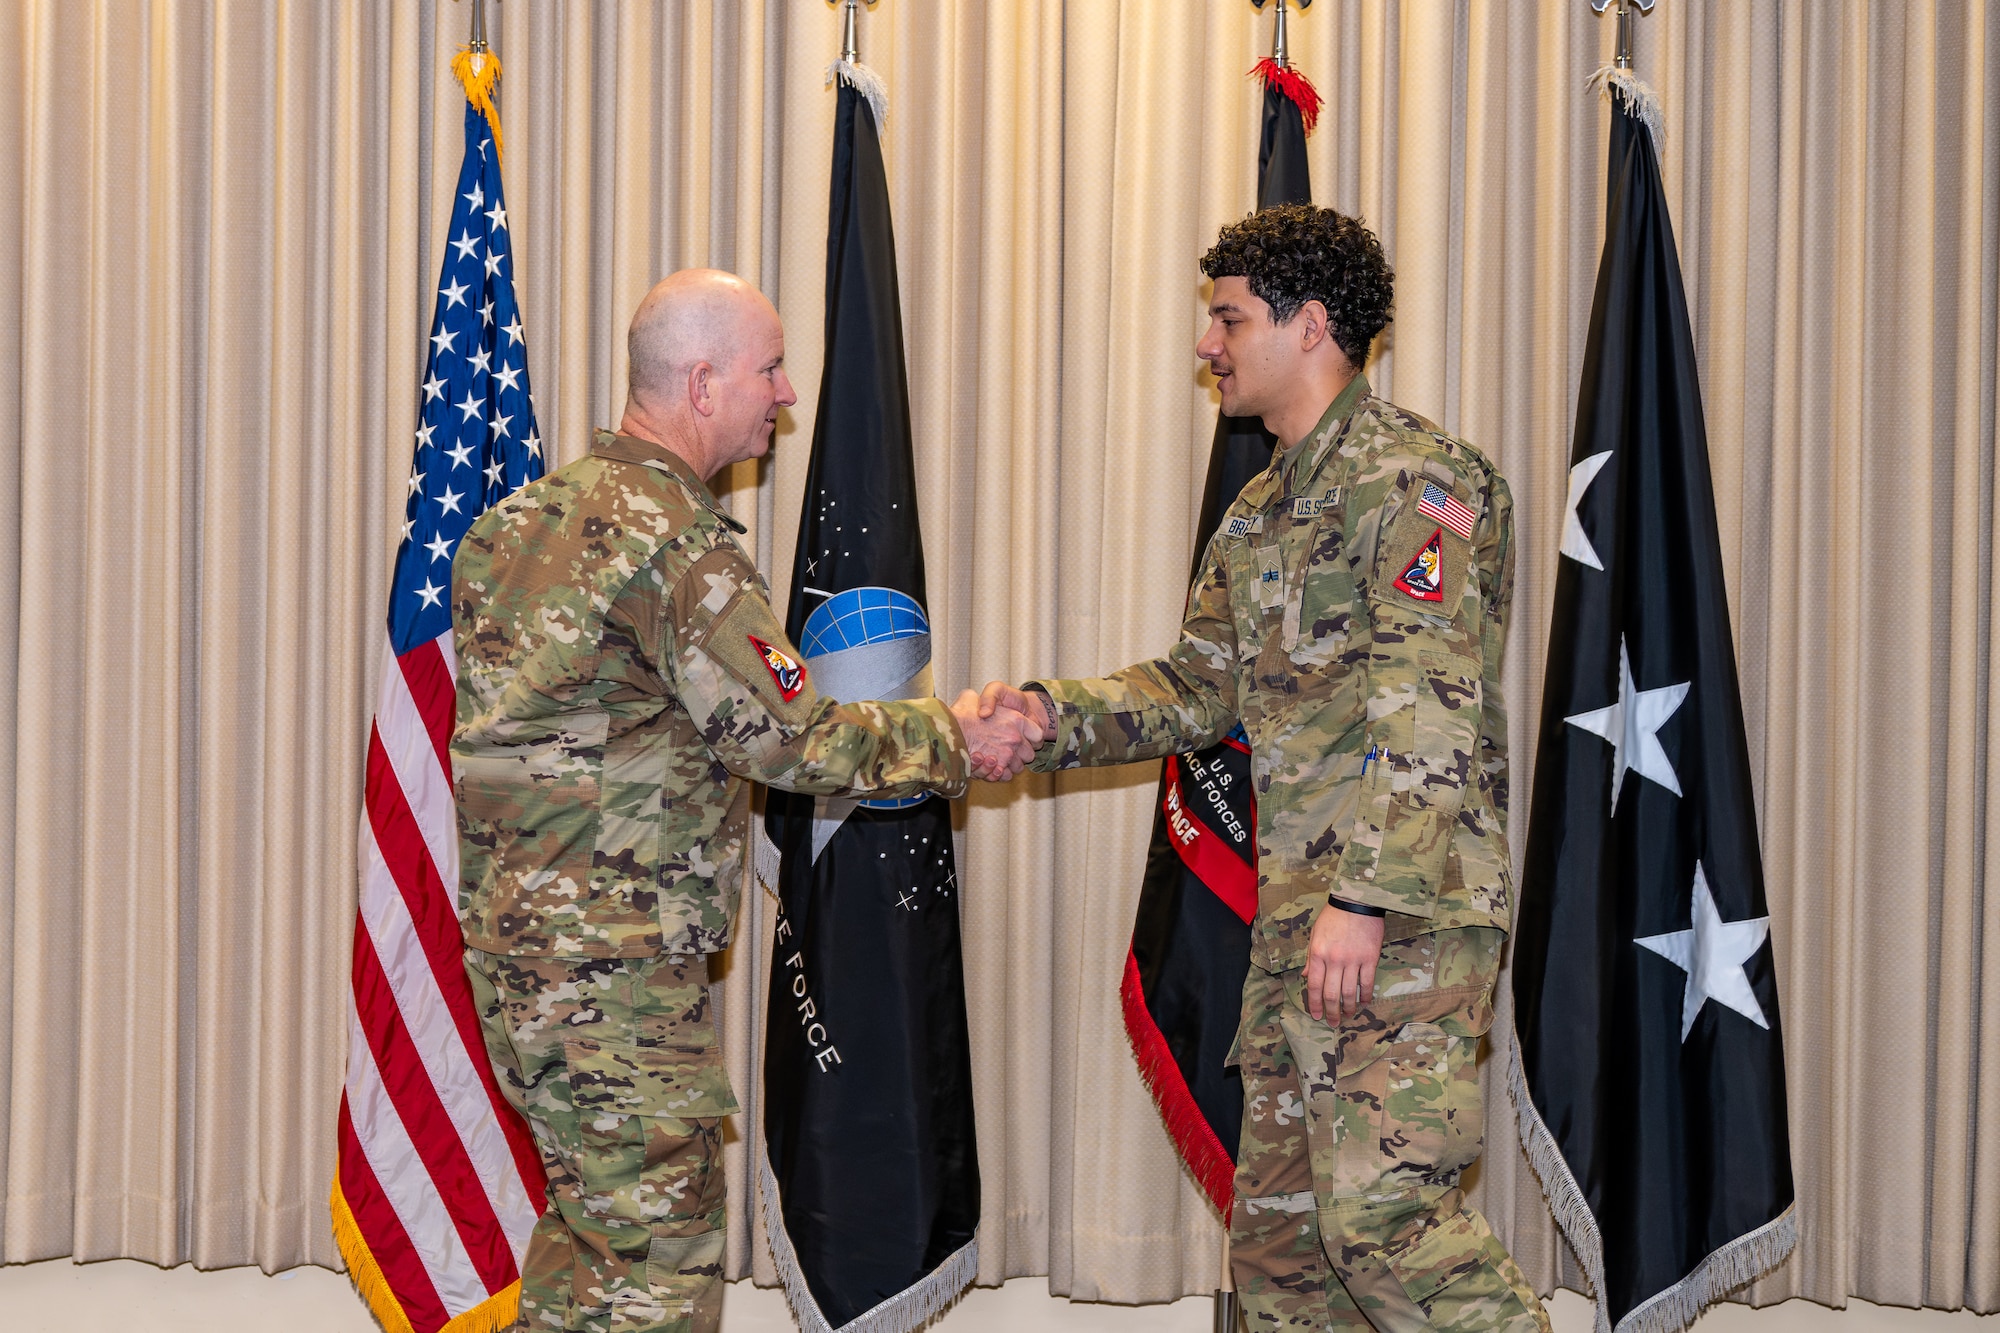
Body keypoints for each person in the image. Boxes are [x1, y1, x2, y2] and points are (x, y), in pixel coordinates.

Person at [980, 205, 1550, 1332]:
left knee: (1386, 1223)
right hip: (1297, 927)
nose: (1208, 343)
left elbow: (1430, 713)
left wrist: (1362, 899)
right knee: (1286, 1250)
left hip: (1400, 920)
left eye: (1228, 317)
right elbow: (1198, 691)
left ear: (1311, 325)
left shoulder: (1419, 484)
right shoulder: (1255, 515)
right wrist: (1043, 718)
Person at [450, 269, 1041, 1333]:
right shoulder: (676, 543)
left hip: (516, 959)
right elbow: (794, 737)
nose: (783, 395)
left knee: (585, 1258)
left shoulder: (512, 528)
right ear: (703, 379)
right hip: (618, 981)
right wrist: (955, 733)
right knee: (655, 1284)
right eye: (768, 370)